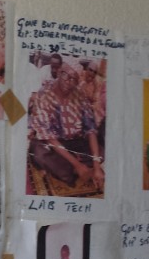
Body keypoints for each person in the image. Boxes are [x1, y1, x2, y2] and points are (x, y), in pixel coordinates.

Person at [28, 60, 104, 188]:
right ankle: (75, 168)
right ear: (58, 72)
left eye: (74, 79)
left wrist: (96, 164)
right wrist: (77, 165)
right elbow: (49, 137)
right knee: (38, 151)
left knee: (102, 150)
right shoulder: (43, 95)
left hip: (76, 142)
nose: (69, 81)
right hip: (53, 143)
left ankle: (75, 168)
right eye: (66, 75)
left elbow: (90, 130)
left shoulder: (80, 96)